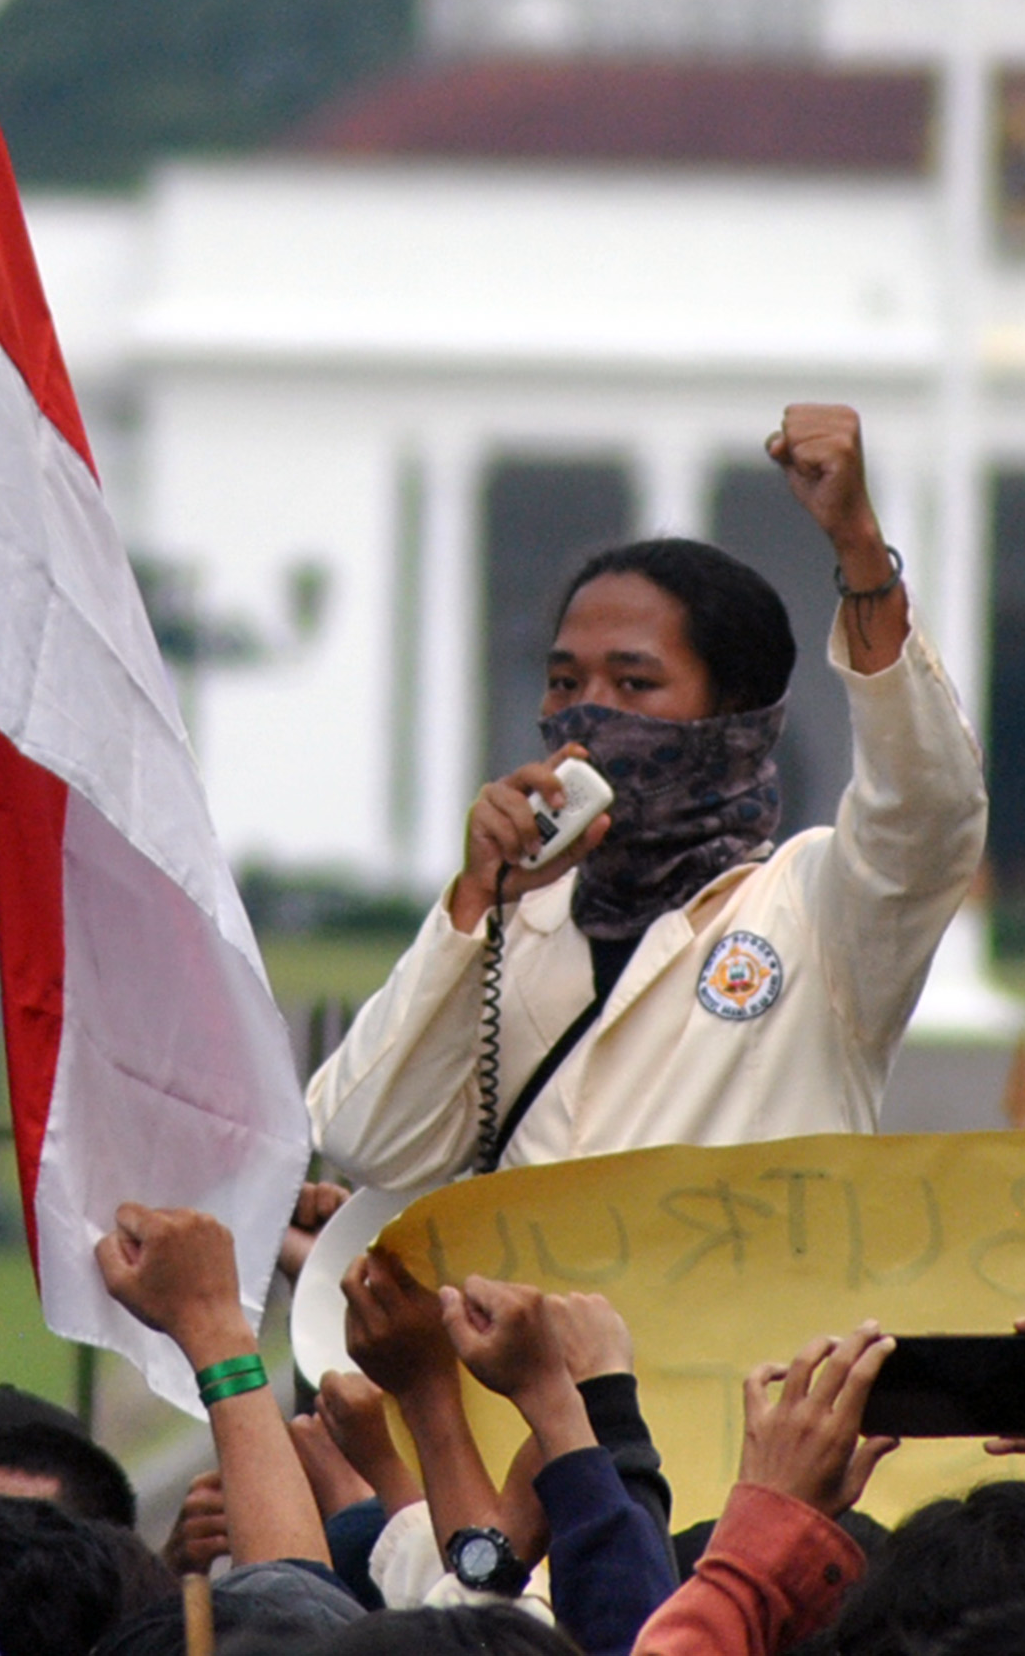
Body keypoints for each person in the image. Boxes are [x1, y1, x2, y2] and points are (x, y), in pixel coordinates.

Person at [308, 405, 985, 1189]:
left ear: (736, 716)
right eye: (565, 682)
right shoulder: (519, 921)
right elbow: (369, 1142)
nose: (588, 713)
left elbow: (926, 807)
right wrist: (473, 905)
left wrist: (860, 548)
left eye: (634, 683)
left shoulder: (813, 912)